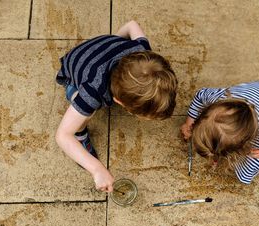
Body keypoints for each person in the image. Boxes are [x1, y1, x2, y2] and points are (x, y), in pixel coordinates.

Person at [55, 21, 177, 192]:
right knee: (84, 112)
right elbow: (63, 135)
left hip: (98, 48)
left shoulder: (142, 51)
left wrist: (115, 40)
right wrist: (97, 169)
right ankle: (81, 133)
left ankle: (110, 45)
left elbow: (131, 25)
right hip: (71, 71)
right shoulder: (93, 91)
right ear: (120, 102)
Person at [181, 81, 259, 184]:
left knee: (255, 158)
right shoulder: (219, 97)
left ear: (241, 145)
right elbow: (200, 95)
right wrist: (189, 122)